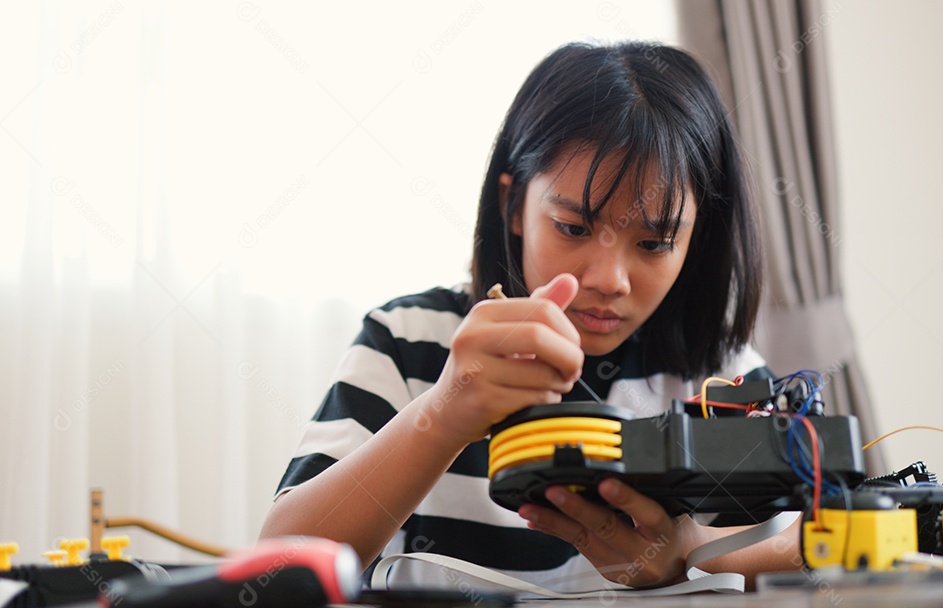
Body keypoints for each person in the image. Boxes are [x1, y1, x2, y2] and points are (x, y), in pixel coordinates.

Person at [260, 40, 802, 591]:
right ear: (512, 205)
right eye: (573, 227)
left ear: (696, 238)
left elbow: (793, 559)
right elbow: (279, 571)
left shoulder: (722, 380)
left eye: (654, 241)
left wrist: (690, 554)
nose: (610, 280)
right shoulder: (409, 341)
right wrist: (445, 413)